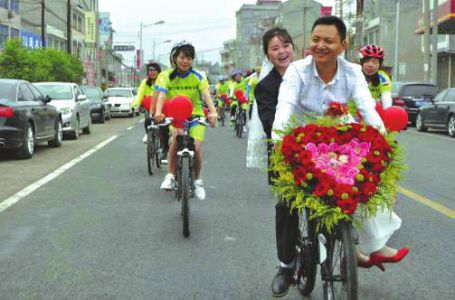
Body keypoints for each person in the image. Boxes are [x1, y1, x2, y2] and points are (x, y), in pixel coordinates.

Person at [270, 16, 408, 297]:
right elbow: (284, 107)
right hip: (300, 138)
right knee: (287, 204)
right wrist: (278, 141)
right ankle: (286, 267)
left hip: (340, 136)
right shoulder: (297, 71)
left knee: (367, 178)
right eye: (315, 40)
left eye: (328, 41)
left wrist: (384, 142)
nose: (320, 46)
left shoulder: (353, 72)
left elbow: (368, 109)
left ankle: (369, 244)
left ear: (342, 45)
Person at [154, 41, 217, 200]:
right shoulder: (166, 76)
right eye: (182, 57)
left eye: (188, 58)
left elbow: (206, 95)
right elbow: (161, 95)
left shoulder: (198, 75)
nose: (185, 61)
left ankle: (196, 181)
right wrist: (158, 112)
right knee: (176, 139)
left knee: (195, 147)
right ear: (175, 58)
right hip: (176, 115)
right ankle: (170, 176)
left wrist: (213, 112)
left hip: (195, 114)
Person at [360, 44, 392, 109]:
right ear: (362, 63)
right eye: (367, 61)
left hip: (369, 114)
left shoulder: (383, 78)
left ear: (379, 65)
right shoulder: (353, 74)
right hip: (349, 115)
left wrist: (388, 112)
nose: (370, 65)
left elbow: (386, 99)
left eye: (375, 62)